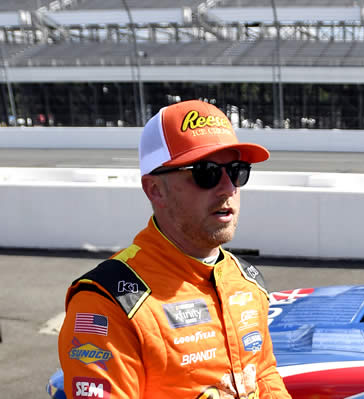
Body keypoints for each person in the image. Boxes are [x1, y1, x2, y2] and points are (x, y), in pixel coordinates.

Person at [58, 100, 291, 399]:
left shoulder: (247, 279)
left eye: (237, 170)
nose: (228, 188)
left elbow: (264, 374)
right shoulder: (106, 302)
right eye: (206, 172)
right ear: (155, 189)